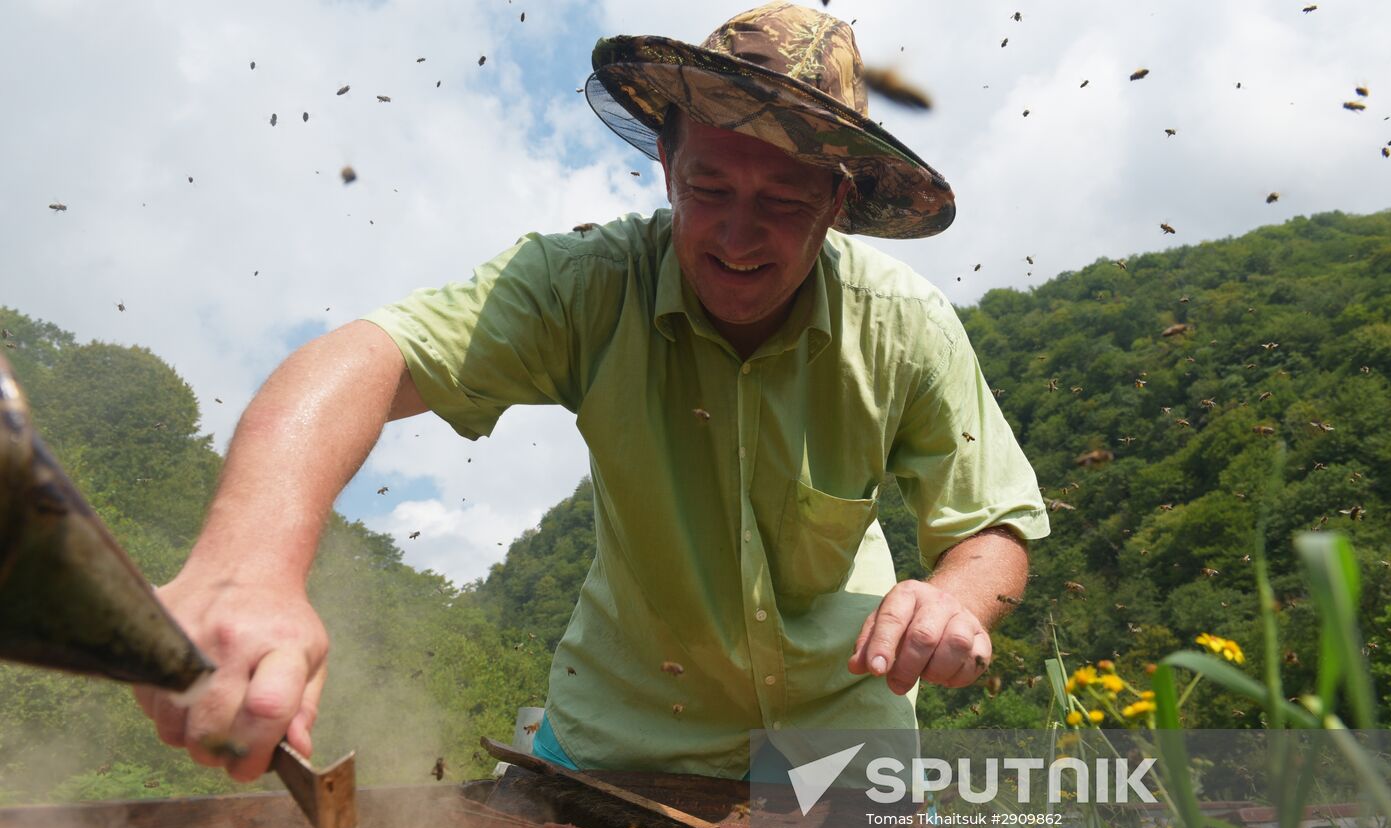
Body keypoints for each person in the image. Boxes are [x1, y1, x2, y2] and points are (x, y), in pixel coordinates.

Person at [136, 1, 1049, 783]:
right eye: (709, 185)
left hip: (841, 750)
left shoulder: (903, 325)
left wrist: (955, 601)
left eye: (781, 202)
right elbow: (371, 356)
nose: (736, 235)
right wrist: (251, 565)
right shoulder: (585, 283)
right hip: (617, 743)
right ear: (664, 159)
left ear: (838, 199)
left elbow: (991, 524)